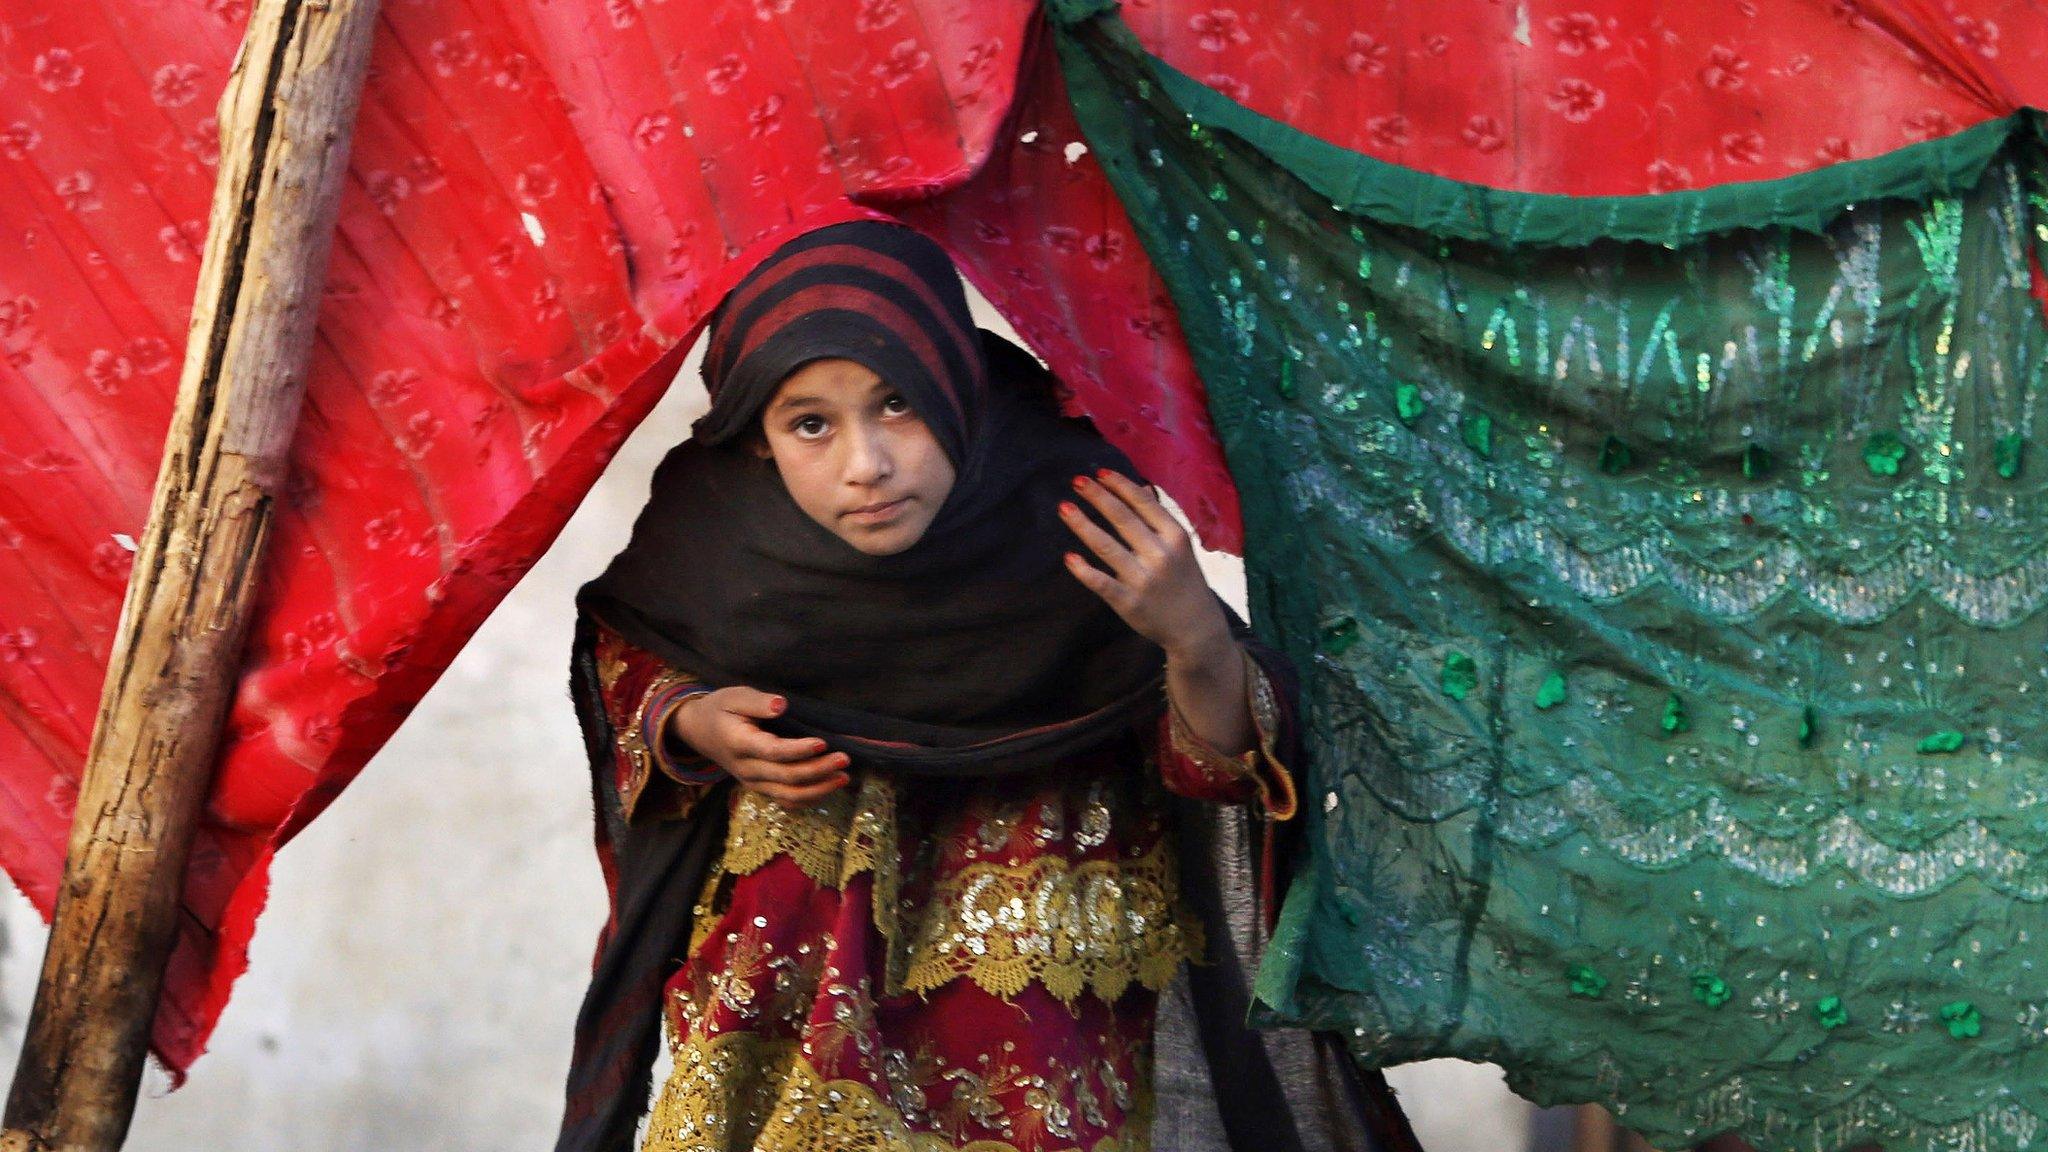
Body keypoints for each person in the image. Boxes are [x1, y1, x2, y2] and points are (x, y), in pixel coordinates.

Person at [553, 220, 1315, 1152]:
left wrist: (1195, 638)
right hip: (790, 1011)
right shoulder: (709, 537)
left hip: (1034, 1000)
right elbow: (627, 656)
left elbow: (1223, 770)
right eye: (810, 424)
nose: (865, 464)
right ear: (757, 438)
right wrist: (693, 722)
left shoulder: (1081, 521)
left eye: (899, 405)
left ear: (960, 390)